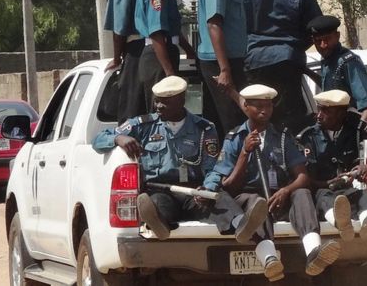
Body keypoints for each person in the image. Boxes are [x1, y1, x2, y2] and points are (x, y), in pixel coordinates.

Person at [93, 76, 267, 243]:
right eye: (157, 101)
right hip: (160, 189)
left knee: (219, 198)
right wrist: (119, 139)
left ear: (181, 100)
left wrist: (208, 188)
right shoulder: (143, 125)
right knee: (157, 204)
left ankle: (241, 226)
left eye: (165, 102)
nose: (158, 106)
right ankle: (158, 224)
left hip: (194, 191)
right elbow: (98, 139)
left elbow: (214, 167)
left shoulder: (204, 128)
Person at [204, 84, 340, 282]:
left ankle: (313, 253)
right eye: (258, 106)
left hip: (278, 196)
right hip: (249, 198)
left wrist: (286, 190)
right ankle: (269, 259)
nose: (264, 110)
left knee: (302, 193)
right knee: (255, 201)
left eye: (268, 106)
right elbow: (229, 186)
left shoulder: (283, 137)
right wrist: (244, 152)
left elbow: (302, 177)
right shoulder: (234, 138)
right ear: (246, 107)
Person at [297, 90, 367, 241]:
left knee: (361, 194)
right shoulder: (309, 135)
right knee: (325, 197)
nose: (319, 115)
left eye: (326, 111)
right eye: (319, 109)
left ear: (341, 113)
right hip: (322, 190)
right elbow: (305, 178)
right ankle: (342, 224)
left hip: (349, 187)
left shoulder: (359, 124)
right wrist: (329, 183)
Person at [238, 0, 323, 133]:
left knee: (256, 117)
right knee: (289, 122)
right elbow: (317, 28)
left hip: (254, 61)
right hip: (288, 62)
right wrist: (293, 47)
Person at [134, 0, 196, 112]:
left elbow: (172, 28)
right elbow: (157, 33)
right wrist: (169, 72)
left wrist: (190, 51)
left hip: (163, 52)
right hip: (158, 56)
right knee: (162, 112)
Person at [197, 0, 249, 137]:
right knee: (233, 124)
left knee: (226, 123)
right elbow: (214, 24)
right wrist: (225, 70)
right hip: (221, 63)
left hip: (229, 61)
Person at [93, 0, 146, 123]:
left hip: (136, 49)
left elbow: (120, 28)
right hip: (151, 46)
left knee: (129, 113)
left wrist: (116, 59)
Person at [308, 15, 367, 121]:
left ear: (337, 36)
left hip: (349, 126)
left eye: (327, 39)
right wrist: (306, 71)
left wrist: (357, 130)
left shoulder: (348, 62)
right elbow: (331, 87)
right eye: (318, 41)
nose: (323, 45)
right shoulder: (327, 60)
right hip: (334, 126)